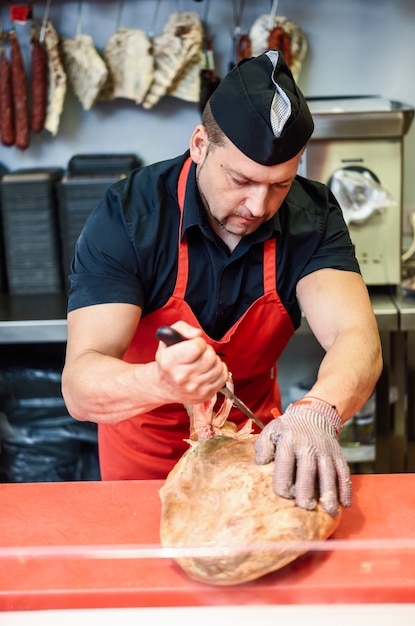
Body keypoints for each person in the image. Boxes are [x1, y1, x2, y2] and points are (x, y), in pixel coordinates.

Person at [62, 50, 382, 516]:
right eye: (240, 179)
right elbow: (80, 385)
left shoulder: (312, 215)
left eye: (279, 185)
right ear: (198, 145)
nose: (257, 205)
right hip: (143, 466)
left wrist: (319, 409)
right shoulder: (129, 215)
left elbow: (356, 336)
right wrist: (162, 380)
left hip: (255, 454)